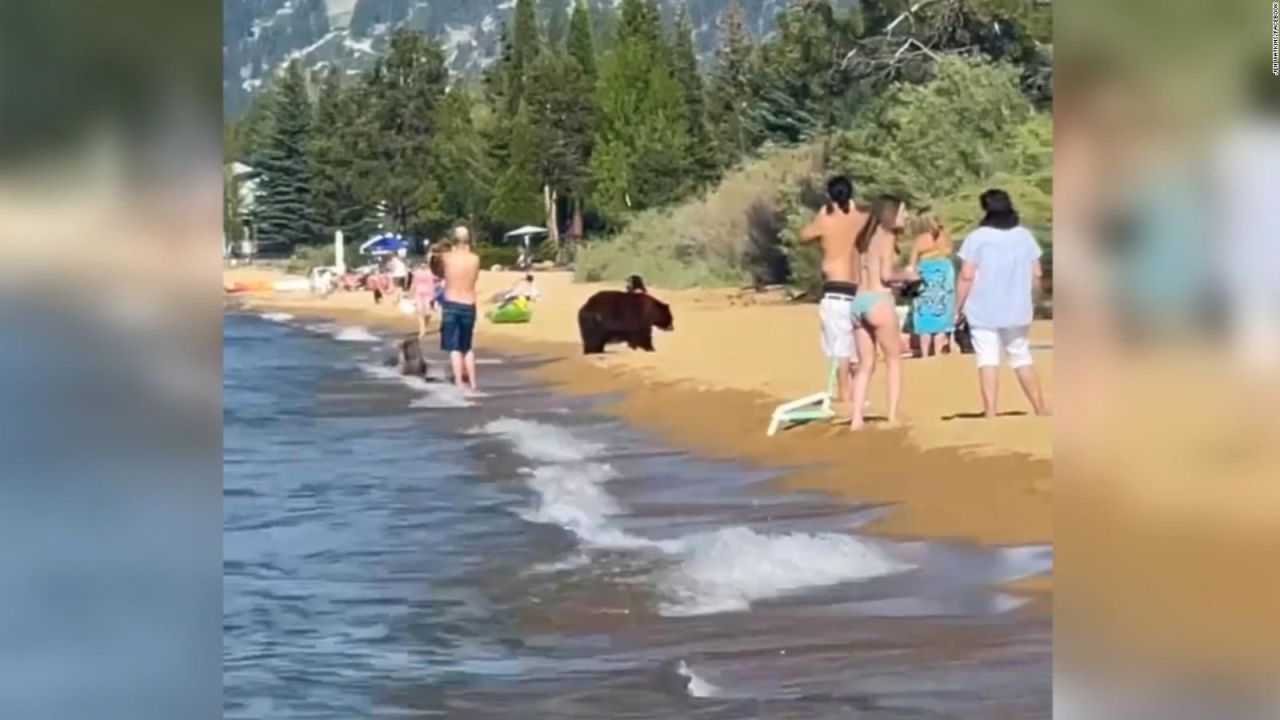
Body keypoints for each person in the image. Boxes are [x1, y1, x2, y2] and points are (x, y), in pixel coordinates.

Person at [954, 189, 1050, 417]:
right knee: (1020, 355)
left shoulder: (976, 238)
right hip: (1017, 308)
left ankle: (991, 411)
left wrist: (957, 307)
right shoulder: (1024, 236)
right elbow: (1036, 274)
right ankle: (1039, 406)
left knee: (987, 357)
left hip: (982, 308)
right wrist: (1033, 301)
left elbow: (966, 276)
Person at [799, 176, 869, 407]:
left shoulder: (826, 219)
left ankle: (846, 395)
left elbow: (804, 236)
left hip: (836, 288)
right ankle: (857, 392)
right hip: (858, 288)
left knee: (840, 349)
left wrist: (820, 216)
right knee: (856, 345)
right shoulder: (860, 218)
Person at [848, 194, 909, 429]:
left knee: (865, 365)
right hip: (878, 300)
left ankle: (856, 418)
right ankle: (892, 416)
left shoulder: (863, 238)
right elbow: (886, 275)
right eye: (903, 212)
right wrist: (907, 275)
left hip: (858, 300)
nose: (906, 216)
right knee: (893, 360)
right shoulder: (886, 236)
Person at [907, 211, 957, 356]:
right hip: (944, 274)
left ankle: (925, 352)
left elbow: (912, 263)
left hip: (925, 274)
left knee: (924, 315)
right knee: (942, 313)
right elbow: (950, 252)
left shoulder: (920, 240)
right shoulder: (945, 237)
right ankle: (939, 351)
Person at [440, 225, 481, 390]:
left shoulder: (447, 257)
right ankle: (473, 383)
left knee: (455, 347)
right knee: (467, 347)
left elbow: (437, 271)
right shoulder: (475, 259)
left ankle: (458, 382)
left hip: (451, 302)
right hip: (469, 303)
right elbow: (475, 277)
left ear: (453, 240)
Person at [409, 259, 438, 338]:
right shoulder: (430, 273)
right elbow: (414, 283)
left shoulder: (418, 272)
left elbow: (414, 283)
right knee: (422, 311)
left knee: (423, 312)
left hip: (423, 293)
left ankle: (423, 328)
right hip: (425, 293)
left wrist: (410, 293)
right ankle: (422, 329)